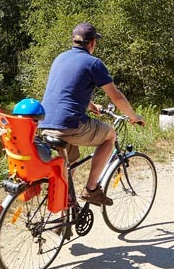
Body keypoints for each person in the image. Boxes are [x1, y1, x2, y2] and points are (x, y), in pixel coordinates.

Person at [39, 22, 144, 206]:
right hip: (69, 125)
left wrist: (89, 104)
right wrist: (134, 117)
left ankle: (61, 215)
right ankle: (91, 189)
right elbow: (116, 97)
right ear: (92, 43)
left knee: (70, 163)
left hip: (46, 124)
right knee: (110, 135)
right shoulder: (93, 63)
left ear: (74, 41)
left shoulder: (60, 58)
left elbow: (66, 90)